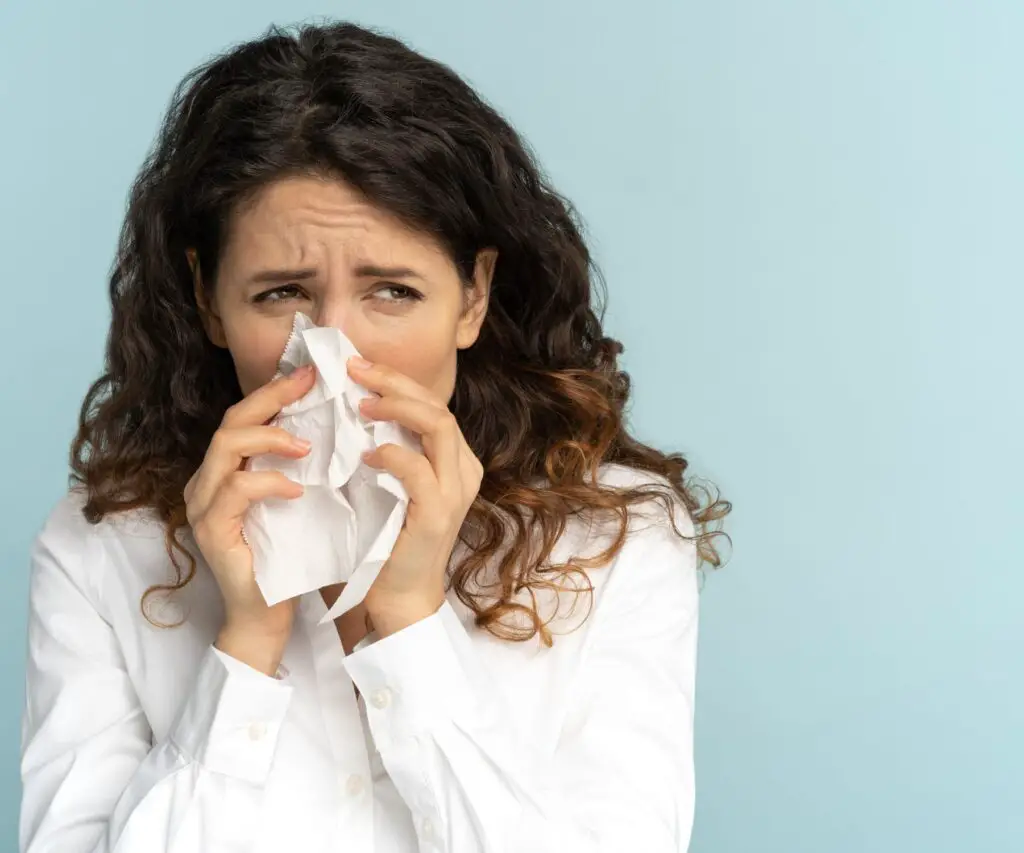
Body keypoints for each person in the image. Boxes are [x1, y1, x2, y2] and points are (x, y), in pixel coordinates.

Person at [19, 20, 729, 853]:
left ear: (472, 297)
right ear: (209, 300)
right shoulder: (101, 550)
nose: (334, 349)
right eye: (282, 292)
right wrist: (246, 648)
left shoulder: (618, 539)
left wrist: (410, 624)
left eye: (391, 290)